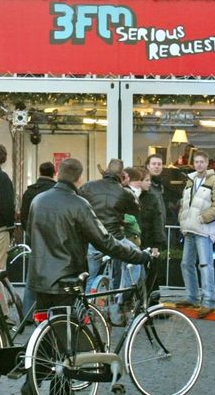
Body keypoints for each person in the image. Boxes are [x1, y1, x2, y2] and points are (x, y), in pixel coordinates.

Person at [25, 157, 154, 395]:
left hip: (39, 278)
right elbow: (105, 242)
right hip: (67, 279)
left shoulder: (38, 200)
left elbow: (29, 233)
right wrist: (138, 256)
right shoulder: (78, 204)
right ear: (78, 177)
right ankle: (59, 390)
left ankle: (31, 383)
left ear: (57, 173)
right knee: (66, 342)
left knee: (48, 331)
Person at [177, 152, 215, 313]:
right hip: (189, 229)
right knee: (186, 264)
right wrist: (182, 220)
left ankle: (209, 302)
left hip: (203, 230)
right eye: (196, 162)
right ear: (193, 164)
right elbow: (184, 204)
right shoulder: (190, 181)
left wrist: (204, 218)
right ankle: (192, 297)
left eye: (202, 162)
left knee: (205, 265)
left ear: (207, 163)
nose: (199, 164)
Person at [19, 161, 56, 318]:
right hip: (53, 238)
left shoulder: (29, 192)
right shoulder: (55, 192)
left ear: (39, 171)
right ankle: (50, 312)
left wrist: (29, 232)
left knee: (32, 274)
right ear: (54, 173)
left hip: (34, 237)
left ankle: (28, 312)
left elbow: (23, 218)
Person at [141, 154, 168, 295]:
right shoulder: (147, 187)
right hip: (148, 237)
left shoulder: (158, 185)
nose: (157, 166)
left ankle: (152, 303)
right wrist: (156, 242)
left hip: (156, 234)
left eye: (159, 164)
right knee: (149, 273)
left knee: (154, 272)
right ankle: (149, 305)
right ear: (148, 166)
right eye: (154, 164)